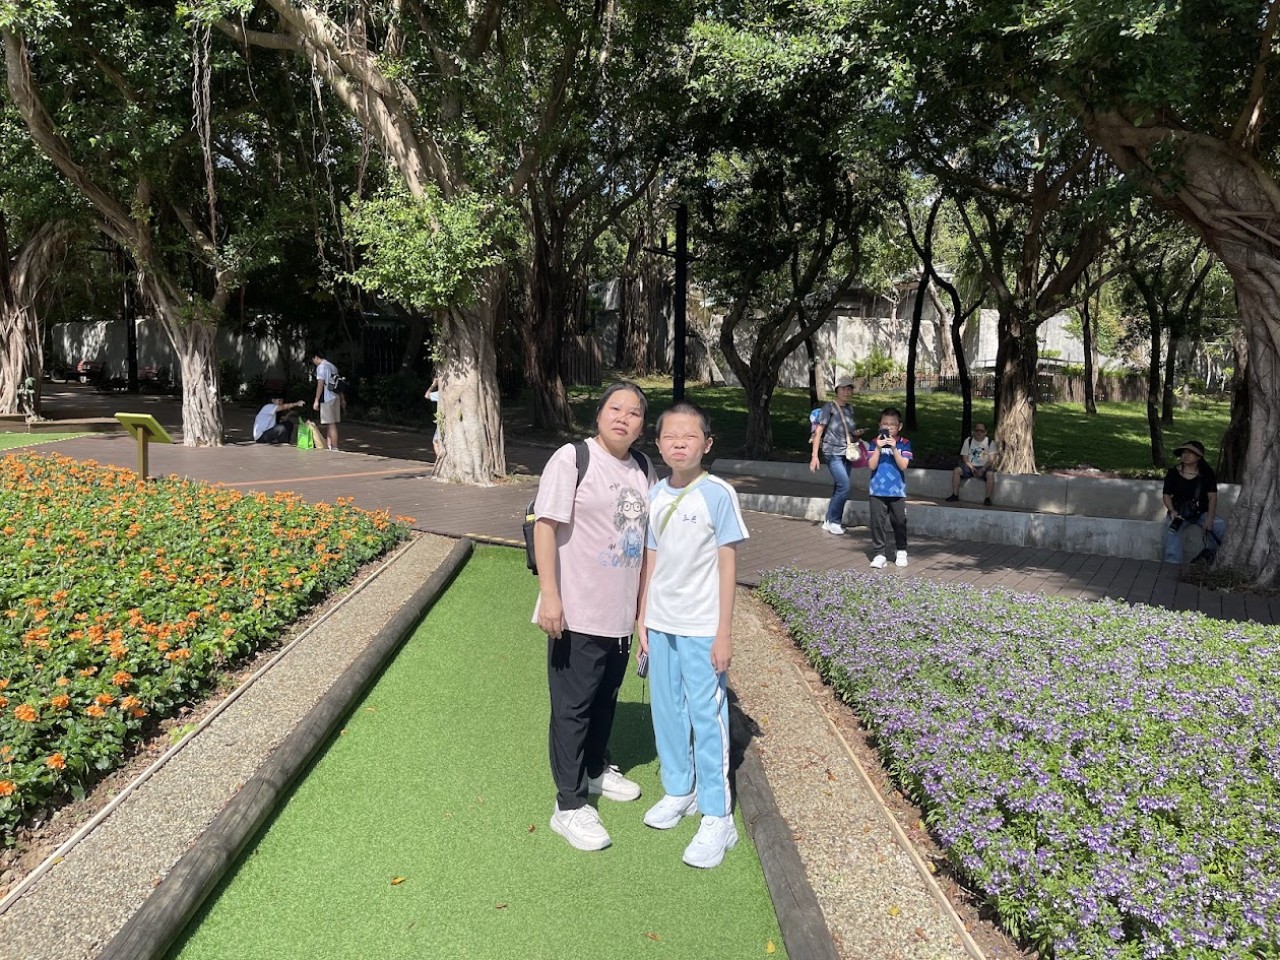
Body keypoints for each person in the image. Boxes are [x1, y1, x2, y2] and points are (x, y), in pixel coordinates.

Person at [531, 381, 656, 852]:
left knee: (605, 699)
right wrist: (550, 595)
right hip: (577, 609)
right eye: (615, 408)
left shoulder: (643, 467)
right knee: (573, 708)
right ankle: (568, 805)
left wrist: (642, 611)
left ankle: (596, 768)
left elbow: (648, 545)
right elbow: (545, 526)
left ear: (642, 426)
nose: (624, 417)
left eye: (634, 412)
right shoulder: (572, 459)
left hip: (619, 612)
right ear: (599, 414)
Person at [638, 402, 748, 869]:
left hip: (702, 626)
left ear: (707, 443)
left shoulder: (718, 494)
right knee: (666, 710)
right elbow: (652, 558)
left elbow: (728, 565)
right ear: (658, 444)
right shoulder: (655, 494)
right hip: (661, 623)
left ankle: (718, 815)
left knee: (707, 716)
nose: (679, 443)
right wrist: (642, 618)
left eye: (689, 436)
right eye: (669, 436)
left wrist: (724, 633)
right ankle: (679, 789)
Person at [808, 375, 865, 535]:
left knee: (839, 487)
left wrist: (856, 434)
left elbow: (848, 431)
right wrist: (814, 456)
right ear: (837, 390)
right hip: (832, 452)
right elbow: (819, 431)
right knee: (844, 486)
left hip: (847, 452)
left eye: (849, 389)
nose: (847, 392)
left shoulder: (850, 409)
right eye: (843, 389)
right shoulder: (829, 407)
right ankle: (834, 521)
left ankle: (829, 520)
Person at [1161, 439, 1226, 564]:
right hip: (1179, 512)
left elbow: (1212, 497)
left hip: (1201, 512)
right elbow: (1166, 495)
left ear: (1198, 456)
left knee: (1220, 526)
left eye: (1190, 453)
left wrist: (1210, 518)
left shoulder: (1207, 473)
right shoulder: (1173, 472)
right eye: (1184, 452)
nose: (1186, 455)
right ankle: (1171, 564)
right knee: (1172, 529)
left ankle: (1215, 557)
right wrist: (1172, 510)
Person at [865, 407, 913, 569]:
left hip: (897, 490)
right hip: (877, 490)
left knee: (899, 521)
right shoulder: (874, 442)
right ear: (880, 425)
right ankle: (879, 554)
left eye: (893, 425)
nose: (889, 427)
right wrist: (878, 448)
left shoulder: (904, 443)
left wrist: (893, 448)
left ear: (899, 426)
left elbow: (903, 465)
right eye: (885, 424)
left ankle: (901, 550)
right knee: (877, 522)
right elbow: (871, 465)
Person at [946, 423, 997, 505]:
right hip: (970, 465)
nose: (979, 433)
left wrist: (983, 469)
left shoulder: (990, 442)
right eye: (977, 431)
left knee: (990, 474)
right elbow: (965, 457)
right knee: (957, 470)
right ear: (974, 432)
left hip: (984, 466)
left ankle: (987, 498)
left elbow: (991, 460)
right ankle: (955, 495)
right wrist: (972, 468)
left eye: (981, 431)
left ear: (985, 432)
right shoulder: (968, 441)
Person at [311, 352, 343, 451]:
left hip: (327, 398)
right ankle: (329, 446)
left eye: (313, 359)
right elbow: (339, 383)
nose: (313, 362)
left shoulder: (321, 367)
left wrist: (316, 400)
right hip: (336, 396)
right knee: (330, 423)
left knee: (331, 424)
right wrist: (343, 399)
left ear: (316, 357)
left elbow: (320, 384)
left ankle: (334, 447)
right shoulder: (332, 366)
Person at [424, 376, 443, 462]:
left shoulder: (440, 393)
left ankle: (440, 460)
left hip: (443, 421)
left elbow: (427, 395)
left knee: (435, 441)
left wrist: (433, 385)